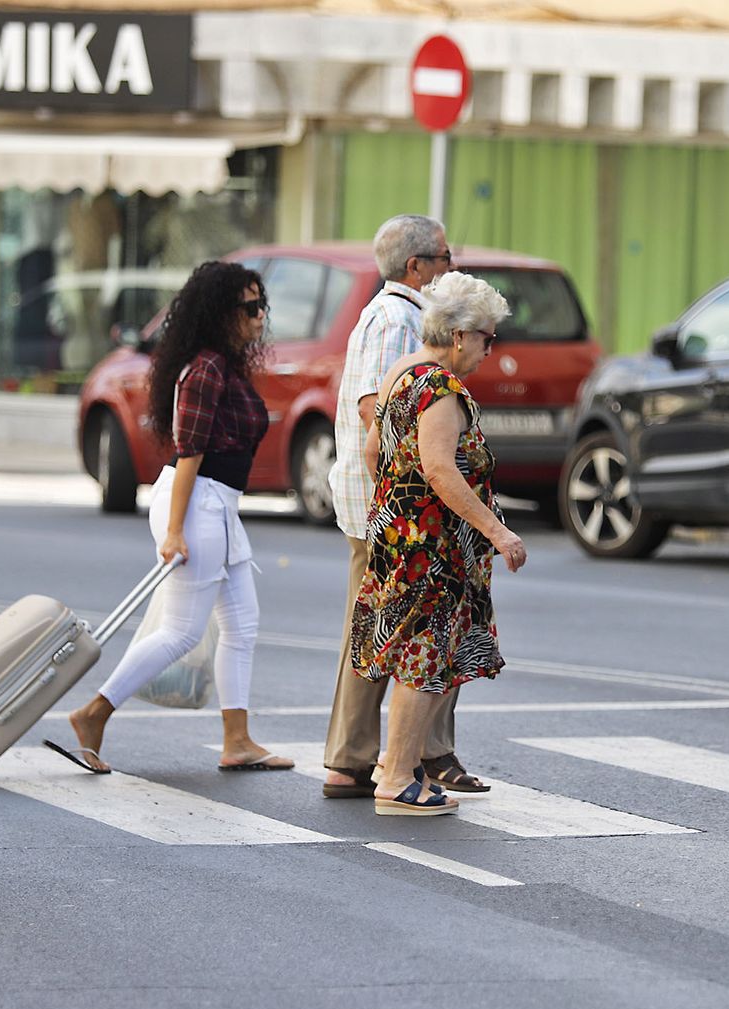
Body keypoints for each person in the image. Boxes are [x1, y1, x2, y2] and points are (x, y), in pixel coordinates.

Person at [49, 261, 294, 775]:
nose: (259, 317)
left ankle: (238, 739)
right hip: (197, 502)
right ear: (220, 314)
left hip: (219, 507)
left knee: (242, 625)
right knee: (183, 631)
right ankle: (94, 713)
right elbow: (189, 456)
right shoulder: (203, 370)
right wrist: (176, 531)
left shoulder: (223, 366)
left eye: (261, 306)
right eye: (250, 308)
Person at [320, 215, 489, 798]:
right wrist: (405, 500)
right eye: (445, 256)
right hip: (396, 512)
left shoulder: (393, 314)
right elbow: (381, 413)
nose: (452, 265)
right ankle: (362, 759)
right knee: (392, 632)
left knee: (398, 630)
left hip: (391, 506)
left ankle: (411, 756)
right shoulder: (399, 319)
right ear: (417, 266)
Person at [350, 271, 527, 815]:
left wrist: (397, 509)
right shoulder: (442, 389)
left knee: (415, 657)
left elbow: (372, 450)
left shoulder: (403, 374)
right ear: (459, 335)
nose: (488, 351)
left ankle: (394, 765)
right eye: (486, 338)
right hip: (432, 551)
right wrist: (497, 531)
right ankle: (398, 776)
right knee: (424, 661)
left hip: (403, 539)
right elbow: (440, 471)